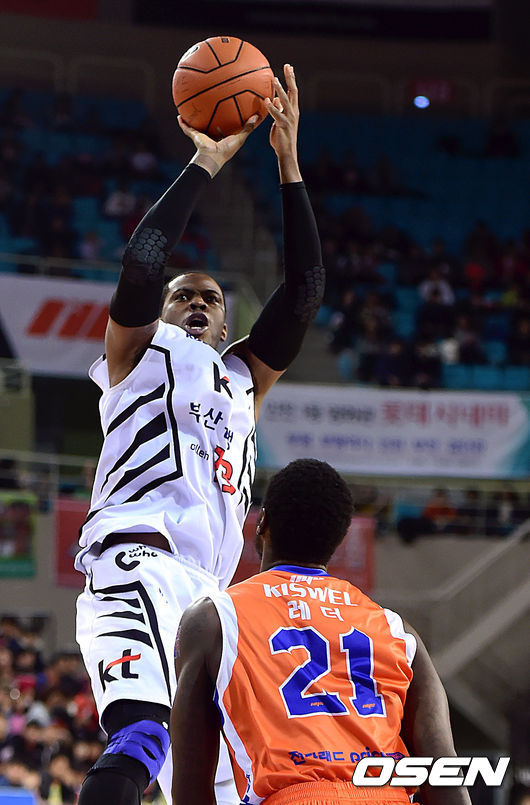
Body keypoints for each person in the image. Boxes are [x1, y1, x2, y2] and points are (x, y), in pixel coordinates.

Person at [75, 63, 324, 805]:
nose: (195, 302)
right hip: (136, 563)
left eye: (209, 299)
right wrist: (206, 161)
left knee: (232, 786)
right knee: (141, 739)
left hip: (214, 599)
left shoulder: (245, 377)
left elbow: (305, 290)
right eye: (182, 295)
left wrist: (289, 164)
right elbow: (142, 261)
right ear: (163, 311)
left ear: (223, 322)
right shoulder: (136, 353)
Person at [171, 459, 471, 805]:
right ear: (339, 539)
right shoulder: (397, 630)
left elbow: (191, 785)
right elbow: (444, 774)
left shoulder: (213, 618)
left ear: (262, 521)